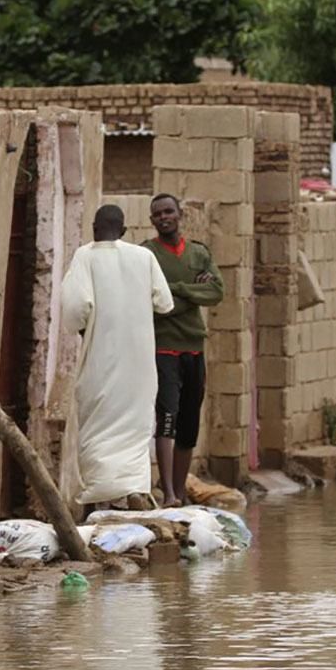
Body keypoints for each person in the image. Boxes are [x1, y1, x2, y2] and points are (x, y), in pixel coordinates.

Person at [61, 204, 174, 511]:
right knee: (136, 429)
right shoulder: (144, 257)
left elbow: (74, 310)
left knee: (97, 428)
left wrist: (87, 329)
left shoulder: (86, 256)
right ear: (124, 231)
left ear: (94, 229)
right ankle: (136, 492)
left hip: (101, 358)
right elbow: (164, 303)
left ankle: (95, 501)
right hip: (139, 363)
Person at [144, 193, 224, 507]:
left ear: (180, 215)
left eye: (169, 212)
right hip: (164, 349)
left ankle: (180, 493)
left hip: (194, 349)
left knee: (190, 421)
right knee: (167, 418)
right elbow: (154, 306)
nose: (164, 217)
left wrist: (176, 290)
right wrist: (193, 293)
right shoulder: (146, 255)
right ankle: (169, 494)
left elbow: (216, 291)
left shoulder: (198, 254)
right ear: (152, 220)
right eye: (158, 214)